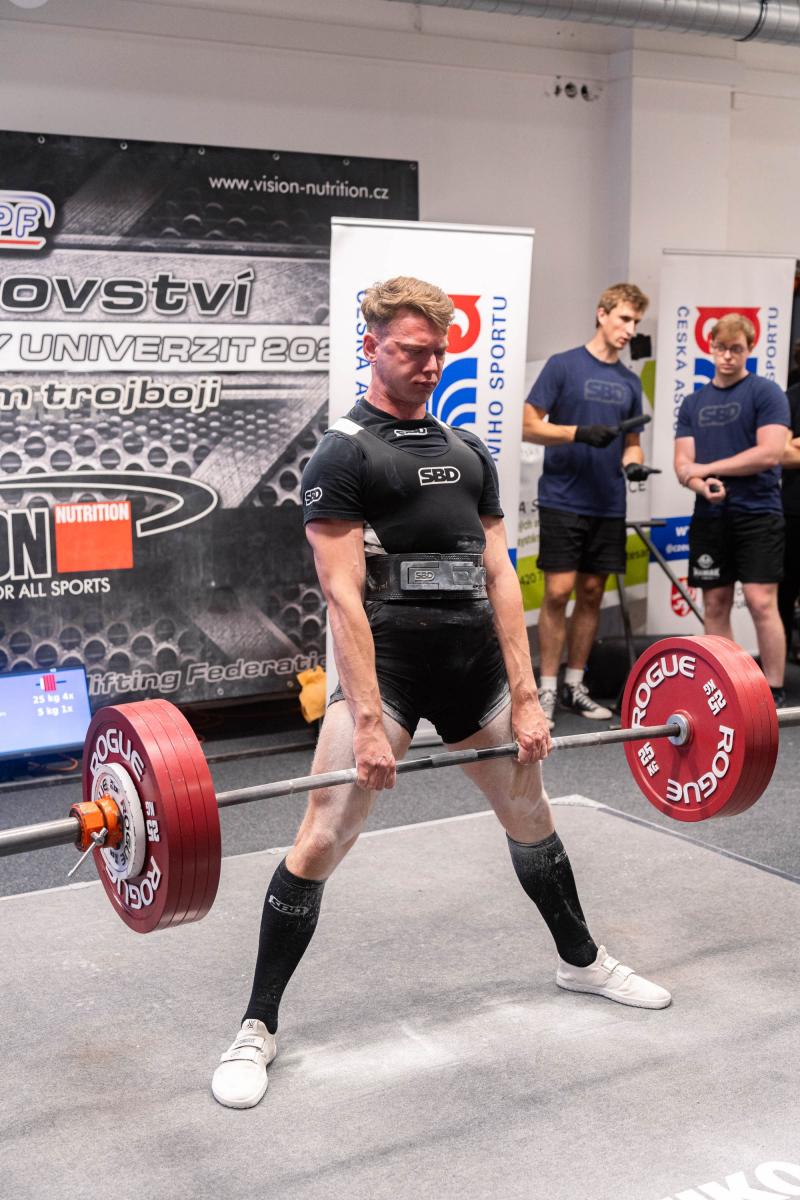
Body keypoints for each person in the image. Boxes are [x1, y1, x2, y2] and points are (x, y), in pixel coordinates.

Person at [211, 276, 671, 1111]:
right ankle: (257, 1024)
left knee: (531, 814)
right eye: (412, 351)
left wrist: (527, 696)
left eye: (439, 353)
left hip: (474, 669)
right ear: (372, 347)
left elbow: (500, 576)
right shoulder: (344, 453)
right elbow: (343, 596)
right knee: (323, 836)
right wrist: (370, 722)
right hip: (386, 672)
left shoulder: (466, 450)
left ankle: (581, 962)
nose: (428, 366)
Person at [522, 283, 657, 729]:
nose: (630, 329)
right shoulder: (563, 366)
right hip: (563, 498)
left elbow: (632, 443)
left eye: (636, 322)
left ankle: (574, 685)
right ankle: (546, 686)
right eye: (624, 319)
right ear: (602, 314)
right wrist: (578, 433)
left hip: (608, 502)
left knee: (593, 593)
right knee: (557, 592)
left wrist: (633, 464)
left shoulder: (630, 382)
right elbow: (528, 425)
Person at [674, 313, 790, 705]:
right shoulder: (693, 402)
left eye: (736, 349)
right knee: (714, 603)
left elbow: (770, 453)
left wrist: (708, 468)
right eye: (721, 348)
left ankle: (773, 688)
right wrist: (701, 484)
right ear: (710, 347)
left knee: (761, 601)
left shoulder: (766, 392)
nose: (727, 356)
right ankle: (730, 687)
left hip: (758, 513)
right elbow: (683, 465)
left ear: (749, 349)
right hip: (710, 516)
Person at [778, 375, 800, 661]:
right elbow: (782, 453)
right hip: (794, 510)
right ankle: (782, 659)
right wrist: (790, 446)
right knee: (786, 589)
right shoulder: (791, 397)